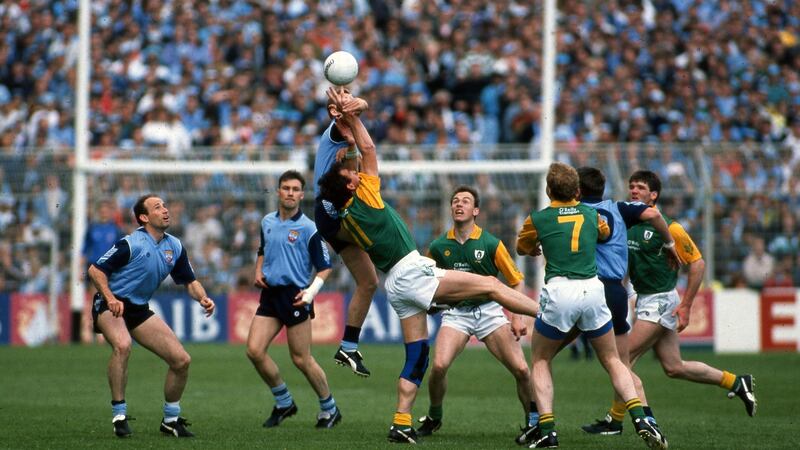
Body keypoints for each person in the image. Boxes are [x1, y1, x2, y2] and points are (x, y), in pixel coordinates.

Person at [318, 90, 539, 444]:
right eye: (350, 172)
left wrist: (343, 129)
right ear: (350, 185)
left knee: (418, 355)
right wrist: (354, 119)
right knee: (492, 286)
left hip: (396, 285)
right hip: (410, 272)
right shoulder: (365, 196)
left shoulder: (343, 218)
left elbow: (353, 167)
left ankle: (400, 422)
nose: (356, 172)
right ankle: (549, 313)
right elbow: (370, 152)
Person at [586, 170, 756, 435]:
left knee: (622, 358)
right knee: (674, 367)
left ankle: (620, 420)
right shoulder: (628, 221)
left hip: (661, 301)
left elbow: (698, 263)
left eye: (640, 188)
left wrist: (687, 305)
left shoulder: (669, 226)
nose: (634, 191)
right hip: (645, 299)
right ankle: (736, 382)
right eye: (631, 186)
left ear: (653, 195)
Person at [515, 162, 665, 449]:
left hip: (561, 290)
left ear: (549, 189)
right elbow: (605, 234)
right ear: (575, 190)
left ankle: (546, 429)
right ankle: (641, 417)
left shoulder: (538, 218)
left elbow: (523, 248)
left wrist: (539, 245)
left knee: (541, 359)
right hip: (594, 291)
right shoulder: (591, 214)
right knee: (612, 360)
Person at [88, 194, 216, 438]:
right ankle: (119, 415)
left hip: (137, 308)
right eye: (158, 207)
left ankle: (170, 420)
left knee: (181, 360)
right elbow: (95, 270)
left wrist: (202, 298)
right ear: (144, 217)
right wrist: (111, 298)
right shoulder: (130, 244)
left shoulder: (174, 246)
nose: (165, 210)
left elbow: (190, 281)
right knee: (123, 345)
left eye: (165, 205)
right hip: (110, 303)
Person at [417, 185, 534, 437]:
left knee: (523, 370)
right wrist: (431, 301)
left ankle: (533, 421)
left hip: (490, 312)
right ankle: (435, 415)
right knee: (438, 366)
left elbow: (515, 280)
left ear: (476, 210)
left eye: (466, 201)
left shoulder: (491, 243)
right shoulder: (438, 246)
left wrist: (516, 316)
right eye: (456, 201)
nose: (459, 204)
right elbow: (426, 280)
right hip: (456, 314)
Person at [573, 167, 678, 438]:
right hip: (615, 292)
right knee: (620, 362)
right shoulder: (618, 208)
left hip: (583, 291)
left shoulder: (572, 212)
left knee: (540, 358)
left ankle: (540, 422)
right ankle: (644, 422)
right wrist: (669, 245)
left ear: (577, 190)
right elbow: (654, 214)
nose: (633, 190)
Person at [246, 170, 341, 429]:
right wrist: (258, 270)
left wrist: (310, 293)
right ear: (278, 191)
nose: (290, 192)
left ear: (301, 194)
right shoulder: (267, 221)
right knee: (254, 350)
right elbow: (263, 249)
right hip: (271, 295)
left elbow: (325, 267)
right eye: (285, 188)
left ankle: (329, 408)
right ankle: (284, 402)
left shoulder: (309, 229)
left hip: (295, 296)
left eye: (295, 189)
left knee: (301, 359)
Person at [313, 87, 377, 377]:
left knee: (368, 282)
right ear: (333, 111)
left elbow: (352, 165)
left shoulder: (348, 132)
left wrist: (352, 149)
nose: (350, 98)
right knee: (386, 238)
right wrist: (355, 104)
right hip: (330, 209)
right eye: (343, 96)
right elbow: (358, 108)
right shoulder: (337, 130)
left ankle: (348, 346)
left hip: (336, 211)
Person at [80, 200, 125, 341]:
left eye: (107, 209)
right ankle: (86, 331)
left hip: (110, 270)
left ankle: (103, 333)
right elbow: (84, 250)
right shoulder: (92, 228)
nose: (104, 212)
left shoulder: (116, 230)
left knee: (108, 299)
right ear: (99, 211)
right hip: (94, 268)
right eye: (102, 209)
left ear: (111, 212)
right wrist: (80, 271)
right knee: (92, 298)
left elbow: (122, 252)